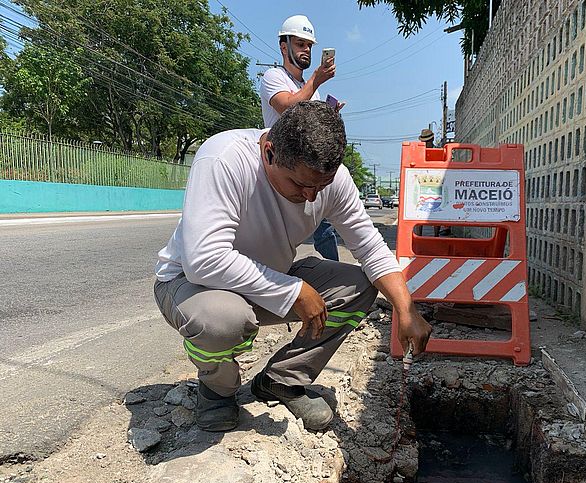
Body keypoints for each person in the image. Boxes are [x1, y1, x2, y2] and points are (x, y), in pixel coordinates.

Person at [154, 102, 432, 433]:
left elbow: (370, 247)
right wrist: (294, 290)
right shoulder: (225, 159)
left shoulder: (331, 181)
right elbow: (203, 260)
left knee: (358, 286)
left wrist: (406, 308)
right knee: (223, 320)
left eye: (321, 186)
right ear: (270, 153)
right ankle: (217, 391)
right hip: (192, 285)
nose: (312, 197)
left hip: (263, 282)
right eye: (299, 185)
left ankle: (281, 380)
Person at [260, 15, 340, 261]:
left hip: (308, 169)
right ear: (284, 46)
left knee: (325, 227)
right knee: (275, 230)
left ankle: (334, 273)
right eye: (300, 44)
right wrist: (316, 79)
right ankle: (268, 278)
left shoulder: (311, 89)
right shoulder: (273, 77)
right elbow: (287, 108)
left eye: (309, 46)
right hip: (281, 170)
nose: (306, 50)